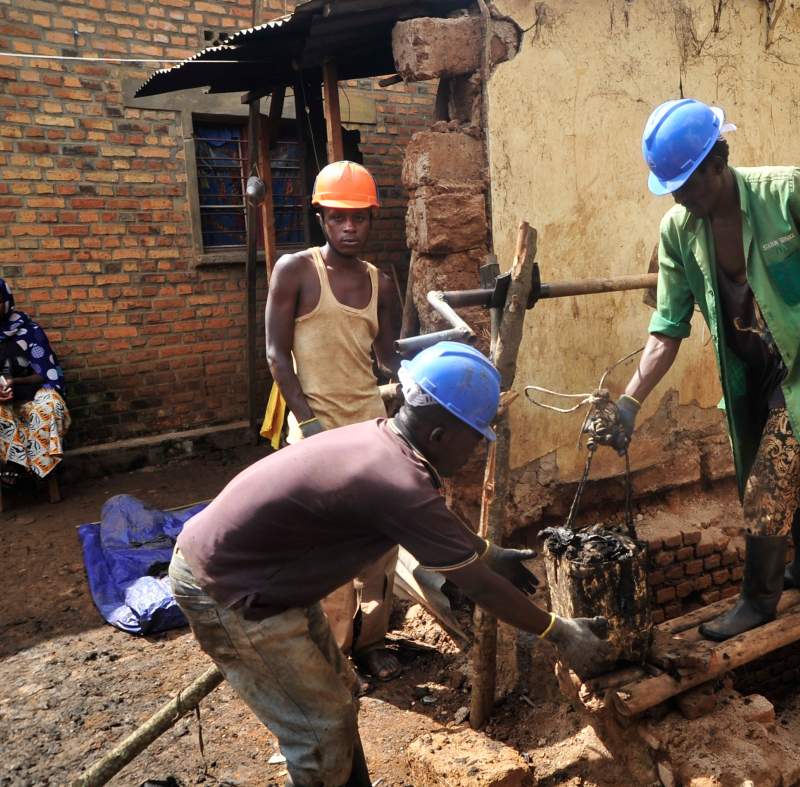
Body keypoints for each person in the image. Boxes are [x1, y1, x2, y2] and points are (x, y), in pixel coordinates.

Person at [170, 342, 611, 787]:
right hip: (229, 587)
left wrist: (484, 551)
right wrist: (558, 630)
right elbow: (479, 587)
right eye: (476, 436)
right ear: (440, 436)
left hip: (264, 573)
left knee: (340, 698)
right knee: (320, 729)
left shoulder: (382, 442)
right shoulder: (397, 481)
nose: (478, 448)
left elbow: (429, 525)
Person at [607, 99, 800, 642]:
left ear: (719, 161)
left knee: (768, 481)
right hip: (752, 376)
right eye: (671, 186)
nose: (680, 197)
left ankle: (759, 601)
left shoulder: (787, 192)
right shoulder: (678, 231)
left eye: (689, 182)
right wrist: (630, 400)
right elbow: (667, 329)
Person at [265, 160, 405, 682]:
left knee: (376, 542)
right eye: (338, 218)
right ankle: (333, 653)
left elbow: (388, 356)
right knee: (325, 548)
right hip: (317, 432)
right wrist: (308, 423)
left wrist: (423, 366)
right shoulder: (296, 272)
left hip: (369, 430)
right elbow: (277, 356)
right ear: (321, 218)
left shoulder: (379, 282)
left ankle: (371, 641)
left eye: (359, 219)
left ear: (372, 219)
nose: (350, 229)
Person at [0, 278, 69, 484]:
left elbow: (46, 373)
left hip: (33, 393)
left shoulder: (30, 332)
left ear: (6, 300)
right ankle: (15, 464)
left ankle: (40, 466)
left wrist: (15, 381)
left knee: (50, 405)